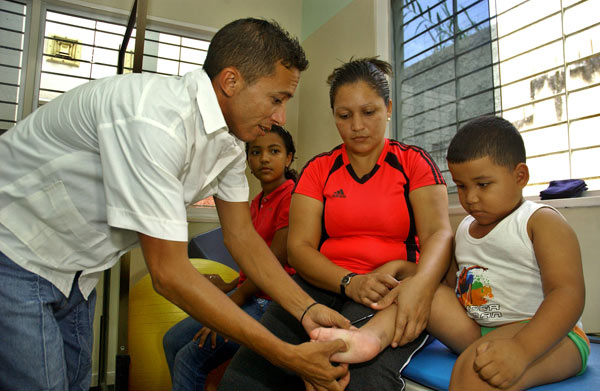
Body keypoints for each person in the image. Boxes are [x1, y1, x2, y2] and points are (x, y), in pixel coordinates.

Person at [0, 18, 352, 391]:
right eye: (276, 99)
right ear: (231, 81)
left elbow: (241, 237)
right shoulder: (156, 121)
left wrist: (307, 310)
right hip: (16, 251)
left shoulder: (231, 142)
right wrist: (284, 354)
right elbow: (168, 275)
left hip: (76, 273)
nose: (280, 116)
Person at [219, 57, 453, 391]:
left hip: (385, 294)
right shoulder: (319, 169)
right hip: (319, 286)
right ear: (334, 116)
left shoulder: (412, 162)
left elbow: (438, 234)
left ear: (388, 108)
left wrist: (421, 286)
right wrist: (349, 282)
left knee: (358, 380)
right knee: (244, 379)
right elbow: (299, 249)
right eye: (345, 115)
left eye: (369, 112)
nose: (357, 125)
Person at [310, 115, 590, 390]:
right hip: (479, 328)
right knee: (419, 291)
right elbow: (451, 286)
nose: (470, 198)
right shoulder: (467, 227)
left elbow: (567, 294)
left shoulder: (540, 221)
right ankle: (369, 338)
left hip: (551, 336)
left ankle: (516, 359)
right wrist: (407, 271)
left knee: (473, 371)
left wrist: (521, 349)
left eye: (482, 185)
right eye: (462, 186)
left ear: (520, 176)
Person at [163, 124, 298, 390]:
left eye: (274, 151)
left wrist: (229, 305)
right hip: (249, 295)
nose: (265, 159)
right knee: (171, 340)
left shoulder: (292, 197)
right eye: (256, 152)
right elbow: (250, 265)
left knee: (189, 359)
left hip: (270, 303)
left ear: (289, 157)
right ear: (248, 160)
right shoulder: (257, 202)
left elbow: (272, 266)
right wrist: (227, 287)